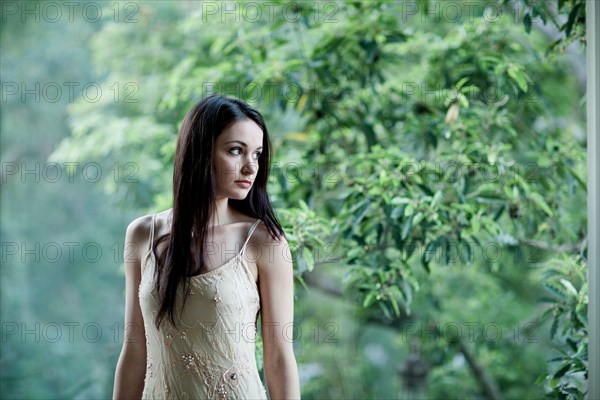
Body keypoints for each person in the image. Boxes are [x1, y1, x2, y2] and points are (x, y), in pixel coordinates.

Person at [112, 94, 301, 399]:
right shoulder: (142, 235)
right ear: (199, 152)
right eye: (236, 151)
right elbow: (134, 352)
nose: (250, 167)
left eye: (257, 154)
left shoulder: (264, 241)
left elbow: (279, 358)